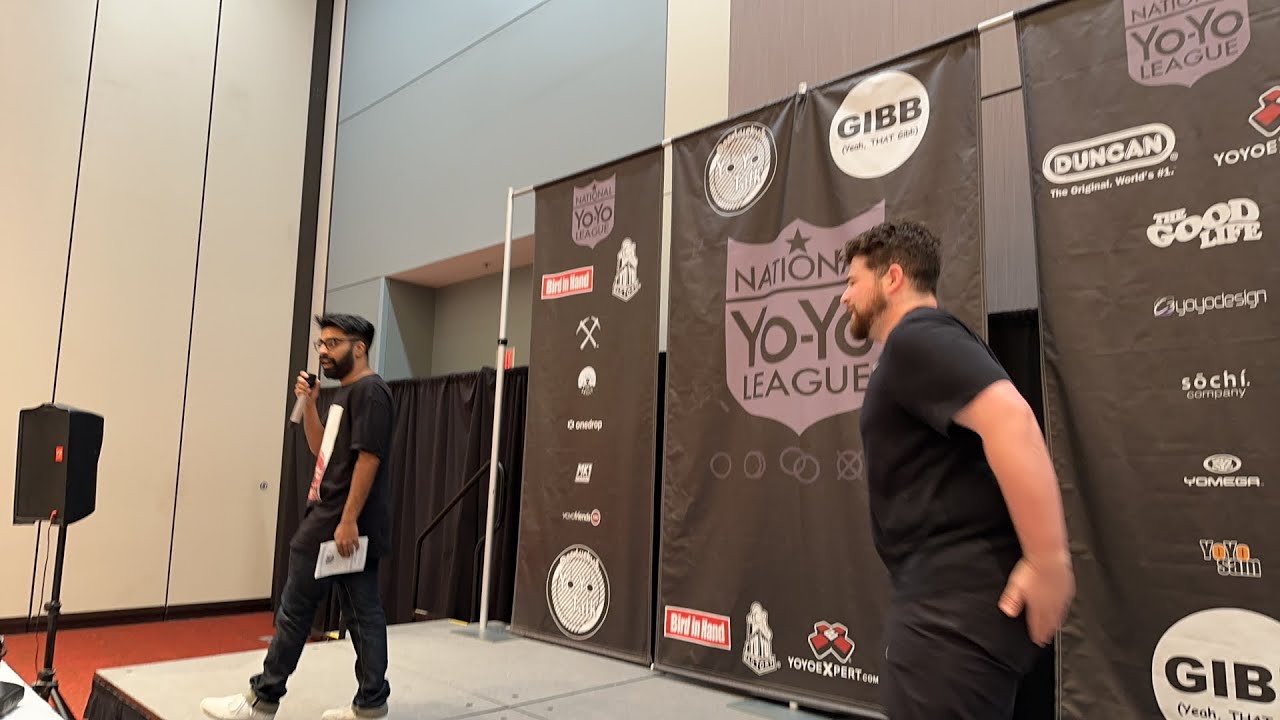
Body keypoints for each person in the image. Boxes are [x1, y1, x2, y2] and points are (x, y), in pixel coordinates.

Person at [839, 221, 1075, 719]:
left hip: (950, 613)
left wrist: (1048, 560)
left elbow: (1011, 419)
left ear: (893, 278)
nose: (844, 297)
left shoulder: (915, 337)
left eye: (853, 282)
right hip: (952, 605)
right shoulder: (926, 344)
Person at [202, 314, 396, 720]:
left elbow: (369, 459)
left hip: (336, 523)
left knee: (296, 611)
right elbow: (320, 448)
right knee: (362, 615)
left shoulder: (371, 392)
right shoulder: (345, 394)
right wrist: (309, 403)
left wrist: (347, 520)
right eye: (320, 344)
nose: (323, 351)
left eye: (333, 343)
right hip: (337, 520)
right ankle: (371, 703)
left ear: (359, 347)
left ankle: (261, 700)